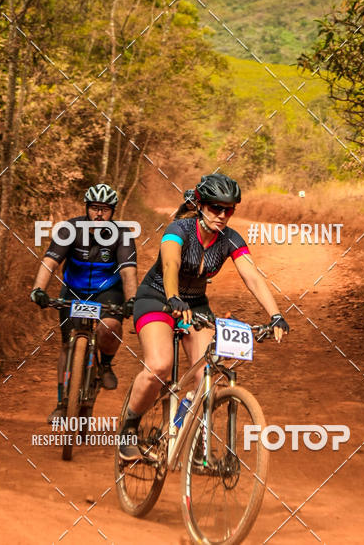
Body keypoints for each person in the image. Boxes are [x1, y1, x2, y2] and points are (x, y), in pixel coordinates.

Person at [118, 172, 289, 460]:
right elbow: (171, 264)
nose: (222, 215)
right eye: (215, 207)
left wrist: (275, 315)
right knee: (160, 366)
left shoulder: (230, 239)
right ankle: (129, 429)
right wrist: (172, 297)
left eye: (229, 209)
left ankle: (190, 429)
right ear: (200, 205)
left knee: (206, 375)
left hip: (195, 305)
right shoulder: (180, 229)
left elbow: (253, 276)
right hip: (157, 298)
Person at [30, 183, 138, 423]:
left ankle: (106, 365)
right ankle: (61, 403)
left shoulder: (123, 235)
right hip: (74, 290)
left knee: (110, 327)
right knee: (67, 346)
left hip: (107, 291)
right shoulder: (70, 229)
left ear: (113, 212)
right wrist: (39, 289)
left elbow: (128, 272)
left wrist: (131, 300)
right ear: (87, 208)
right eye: (94, 208)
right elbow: (50, 261)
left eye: (105, 209)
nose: (99, 214)